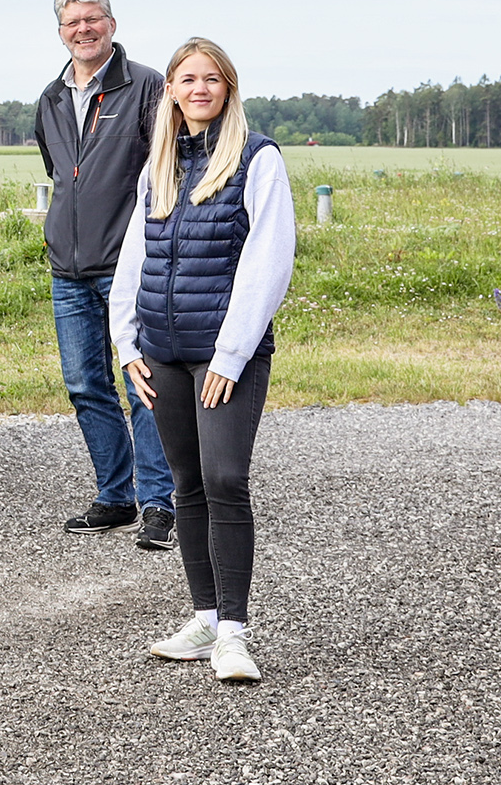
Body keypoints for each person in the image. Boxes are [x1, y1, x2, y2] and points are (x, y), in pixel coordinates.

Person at [111, 37, 296, 684]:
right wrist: (126, 342)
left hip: (225, 356)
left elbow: (269, 263)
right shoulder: (159, 163)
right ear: (171, 89)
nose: (199, 88)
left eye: (211, 78)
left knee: (224, 480)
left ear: (228, 88)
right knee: (186, 486)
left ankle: (235, 636)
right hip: (161, 354)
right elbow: (135, 257)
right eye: (187, 78)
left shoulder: (257, 158)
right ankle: (205, 621)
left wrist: (232, 352)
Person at [34, 0, 177, 550]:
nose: (83, 31)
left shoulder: (145, 87)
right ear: (60, 31)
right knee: (84, 384)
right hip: (67, 268)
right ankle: (115, 496)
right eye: (72, 23)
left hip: (129, 267)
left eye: (93, 20)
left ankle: (159, 503)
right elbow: (60, 172)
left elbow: (166, 168)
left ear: (111, 25)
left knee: (141, 382)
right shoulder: (49, 97)